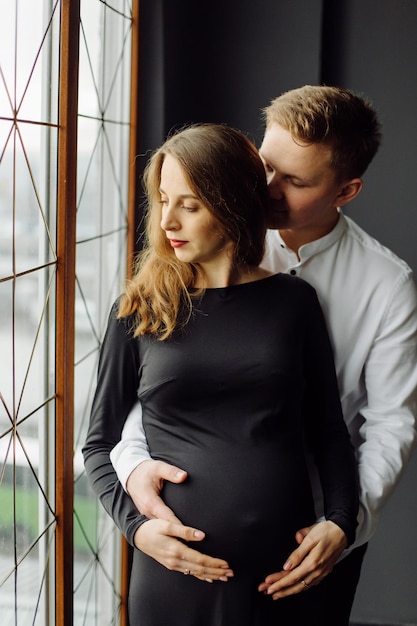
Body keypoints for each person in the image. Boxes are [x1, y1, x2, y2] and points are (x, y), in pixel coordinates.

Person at [110, 86, 417, 624]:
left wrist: (345, 524)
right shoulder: (199, 244)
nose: (267, 189)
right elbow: (158, 385)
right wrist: (134, 470)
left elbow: (389, 423)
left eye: (295, 181)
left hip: (313, 539)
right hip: (188, 545)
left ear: (346, 190)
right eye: (266, 165)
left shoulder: (387, 285)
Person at [83, 122, 359, 626]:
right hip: (174, 573)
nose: (168, 220)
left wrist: (341, 521)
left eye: (189, 205)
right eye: (163, 200)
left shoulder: (295, 303)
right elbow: (97, 443)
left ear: (232, 204)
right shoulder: (141, 307)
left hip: (285, 572)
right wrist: (137, 529)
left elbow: (328, 432)